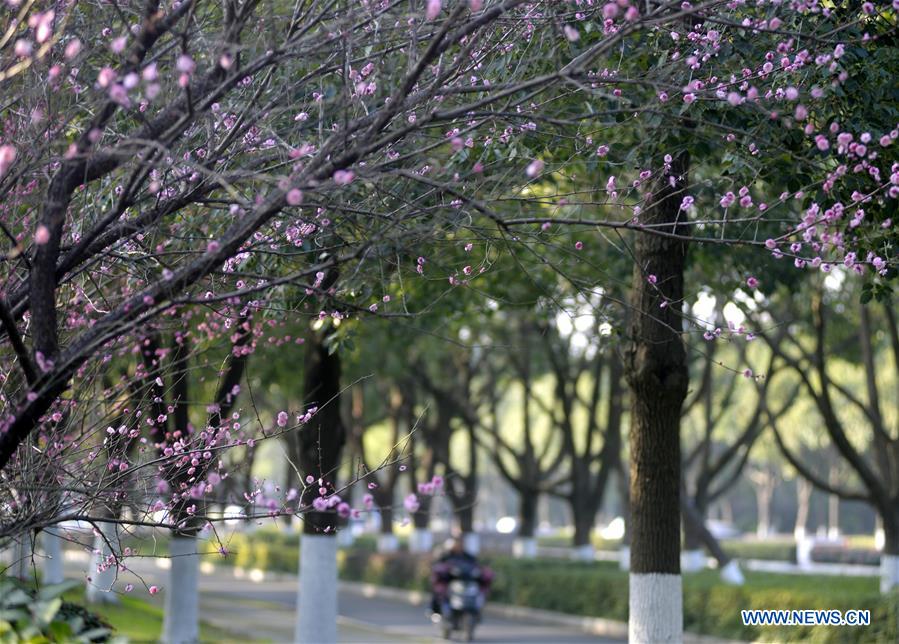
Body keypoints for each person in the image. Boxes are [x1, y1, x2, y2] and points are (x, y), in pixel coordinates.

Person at [429, 537, 493, 616]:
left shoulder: (468, 556)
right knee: (439, 591)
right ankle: (436, 611)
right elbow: (438, 567)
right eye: (457, 544)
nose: (458, 546)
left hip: (466, 580)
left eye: (460, 544)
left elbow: (476, 565)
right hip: (450, 581)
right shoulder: (446, 556)